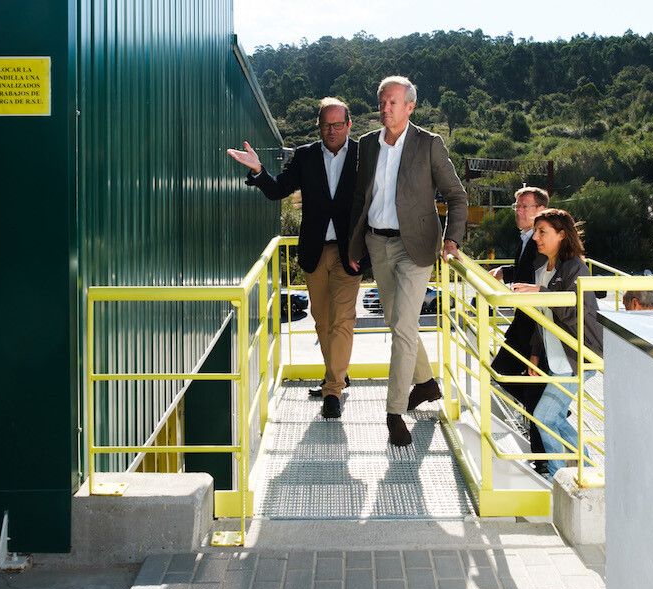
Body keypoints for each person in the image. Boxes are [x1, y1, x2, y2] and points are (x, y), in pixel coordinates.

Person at [347, 76, 468, 446]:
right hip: (377, 244)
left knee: (402, 328)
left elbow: (457, 196)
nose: (386, 108)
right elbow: (360, 198)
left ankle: (394, 411)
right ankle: (427, 383)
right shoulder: (367, 145)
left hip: (416, 247)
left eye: (393, 102)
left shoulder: (429, 144)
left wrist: (452, 239)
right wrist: (355, 246)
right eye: (382, 102)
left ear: (410, 106)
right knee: (395, 321)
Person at [227, 97, 362, 420]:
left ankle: (333, 391)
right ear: (319, 126)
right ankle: (337, 375)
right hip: (315, 251)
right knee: (322, 321)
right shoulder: (305, 156)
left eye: (338, 125)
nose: (332, 131)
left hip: (351, 254)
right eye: (326, 125)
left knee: (343, 320)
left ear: (349, 125)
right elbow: (277, 190)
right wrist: (258, 170)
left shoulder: (363, 154)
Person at [510, 209, 603, 477]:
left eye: (543, 232)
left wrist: (542, 293)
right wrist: (536, 355)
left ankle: (557, 474)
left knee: (544, 417)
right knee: (552, 417)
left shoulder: (576, 268)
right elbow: (544, 320)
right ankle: (585, 468)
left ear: (562, 235)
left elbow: (575, 314)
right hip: (555, 357)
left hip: (578, 357)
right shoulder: (542, 268)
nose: (537, 237)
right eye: (536, 232)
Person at [490, 186, 551, 451]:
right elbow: (527, 271)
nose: (519, 211)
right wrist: (506, 270)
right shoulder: (527, 238)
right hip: (523, 324)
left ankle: (543, 460)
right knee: (503, 371)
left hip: (536, 328)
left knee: (532, 389)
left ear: (541, 210)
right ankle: (547, 411)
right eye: (517, 206)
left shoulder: (543, 241)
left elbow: (543, 277)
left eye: (525, 206)